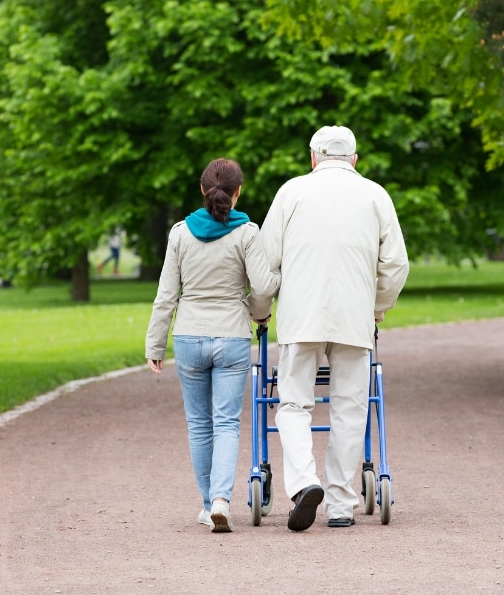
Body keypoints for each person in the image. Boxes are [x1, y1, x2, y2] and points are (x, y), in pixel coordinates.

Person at [257, 125, 409, 531]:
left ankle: (305, 482)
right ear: (354, 161)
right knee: (349, 407)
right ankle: (341, 503)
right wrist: (375, 309)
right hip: (353, 318)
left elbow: (265, 262)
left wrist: (259, 310)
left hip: (300, 317)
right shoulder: (376, 195)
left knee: (293, 404)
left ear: (313, 158)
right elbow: (396, 266)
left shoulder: (291, 192)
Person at [145, 158, 280, 533]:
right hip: (232, 337)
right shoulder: (248, 233)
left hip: (189, 337)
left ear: (202, 190)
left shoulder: (179, 234)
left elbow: (166, 296)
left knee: (199, 426)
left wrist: (155, 344)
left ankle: (208, 505)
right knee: (226, 424)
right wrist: (256, 313)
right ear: (238, 192)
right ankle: (222, 499)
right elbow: (264, 287)